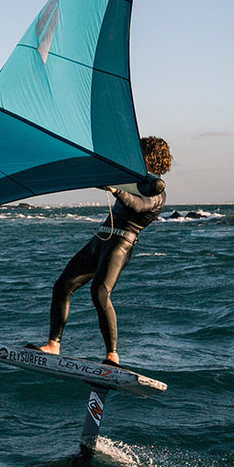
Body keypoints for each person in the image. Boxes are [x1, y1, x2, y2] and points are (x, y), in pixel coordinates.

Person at [35, 137, 172, 365]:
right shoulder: (131, 180)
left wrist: (116, 189)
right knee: (62, 286)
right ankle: (52, 345)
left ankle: (112, 357)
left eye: (140, 153)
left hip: (120, 245)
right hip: (100, 238)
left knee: (100, 293)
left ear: (150, 157)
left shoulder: (157, 191)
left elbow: (137, 205)